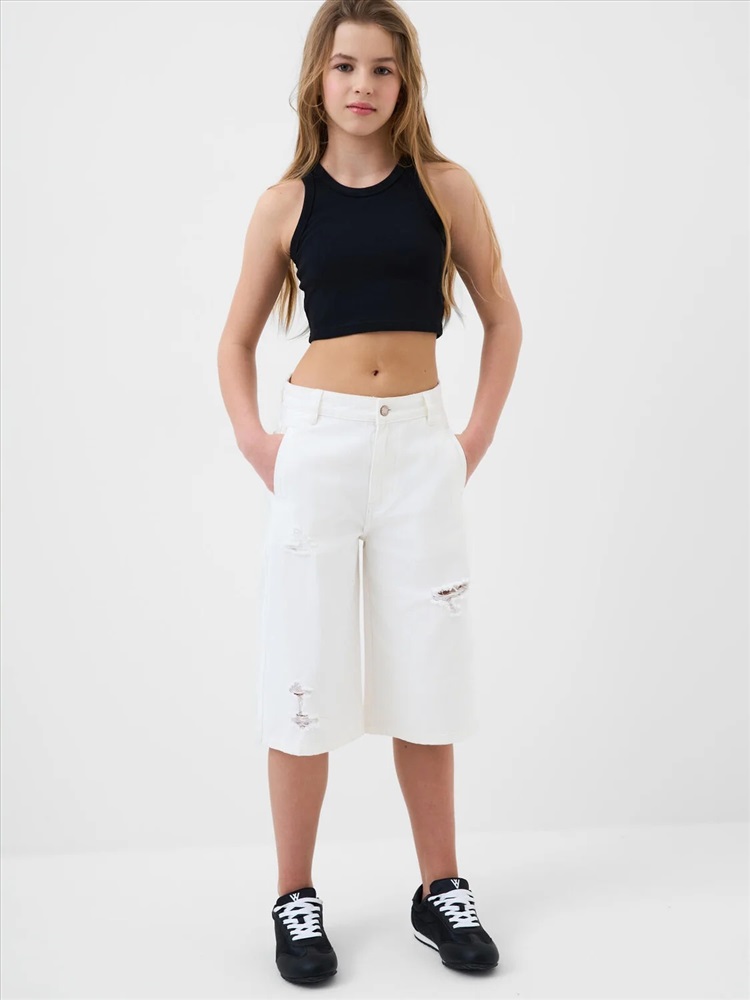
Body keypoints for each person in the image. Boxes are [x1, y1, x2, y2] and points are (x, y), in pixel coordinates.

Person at [217, 0, 522, 985]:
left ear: (405, 81)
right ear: (318, 77)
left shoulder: (445, 187)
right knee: (302, 674)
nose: (362, 85)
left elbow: (504, 318)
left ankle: (440, 889)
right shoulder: (285, 203)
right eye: (345, 65)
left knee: (428, 673)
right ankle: (294, 897)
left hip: (421, 448)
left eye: (382, 68)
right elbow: (234, 341)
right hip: (320, 445)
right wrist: (259, 442)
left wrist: (472, 438)